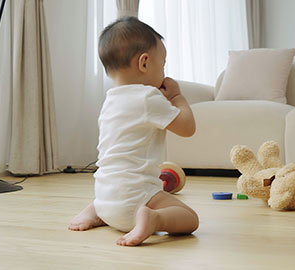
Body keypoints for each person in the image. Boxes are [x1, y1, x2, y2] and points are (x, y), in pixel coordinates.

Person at [68, 17, 199, 246]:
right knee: (190, 219)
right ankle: (154, 220)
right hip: (137, 199)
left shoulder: (110, 101)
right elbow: (188, 128)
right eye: (163, 64)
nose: (164, 71)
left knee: (114, 184)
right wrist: (177, 97)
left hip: (105, 197)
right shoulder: (148, 97)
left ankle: (94, 212)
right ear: (144, 63)